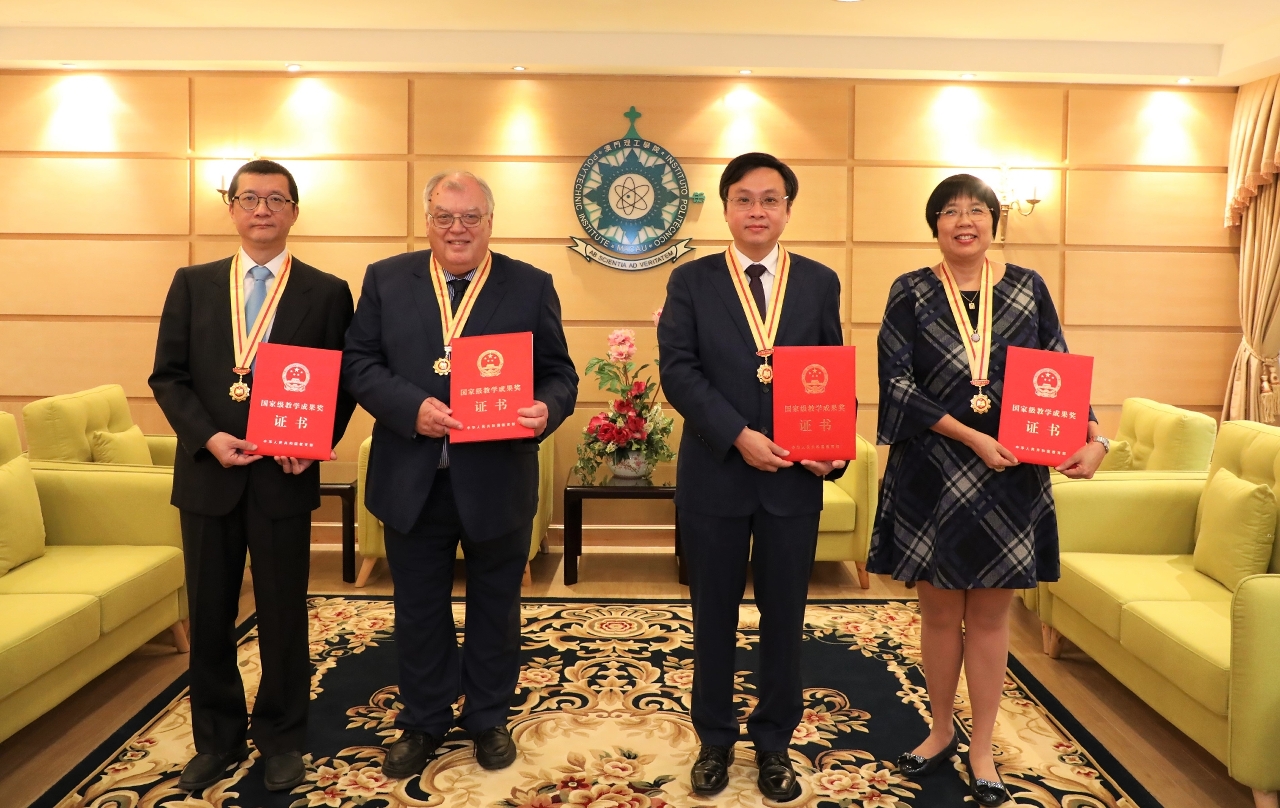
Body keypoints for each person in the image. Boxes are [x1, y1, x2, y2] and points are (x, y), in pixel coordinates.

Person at [866, 174, 1107, 806]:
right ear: (935, 225)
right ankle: (941, 730)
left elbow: (1059, 368)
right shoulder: (911, 290)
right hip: (933, 473)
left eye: (976, 210)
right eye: (950, 211)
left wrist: (1095, 437)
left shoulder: (1027, 287)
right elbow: (895, 384)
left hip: (1011, 474)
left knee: (992, 617)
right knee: (941, 614)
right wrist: (972, 437)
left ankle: (981, 746)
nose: (964, 221)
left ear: (994, 223)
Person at [341, 171, 577, 779]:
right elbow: (359, 363)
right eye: (445, 216)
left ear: (490, 222)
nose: (457, 229)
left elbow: (560, 373)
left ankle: (488, 717)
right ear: (427, 221)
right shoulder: (386, 279)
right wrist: (409, 408)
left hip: (497, 478)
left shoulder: (529, 285)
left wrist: (546, 408)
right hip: (411, 476)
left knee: (496, 606)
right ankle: (423, 719)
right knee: (418, 608)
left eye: (471, 216)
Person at [150, 159, 357, 793]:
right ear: (232, 208)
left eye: (275, 199)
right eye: (249, 198)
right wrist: (209, 438)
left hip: (282, 478)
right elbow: (169, 376)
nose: (261, 209)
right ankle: (216, 739)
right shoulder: (193, 283)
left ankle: (282, 737)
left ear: (294, 211)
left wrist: (314, 442)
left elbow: (343, 380)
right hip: (208, 476)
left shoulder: (327, 291)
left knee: (283, 614)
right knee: (210, 615)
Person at [657, 152, 846, 803]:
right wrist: (739, 435)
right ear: (726, 208)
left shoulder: (818, 281)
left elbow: (831, 371)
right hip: (716, 474)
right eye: (744, 199)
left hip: (793, 480)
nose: (757, 210)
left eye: (770, 199)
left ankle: (773, 742)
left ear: (788, 210)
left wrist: (832, 450)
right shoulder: (692, 280)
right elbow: (679, 371)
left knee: (784, 616)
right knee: (712, 613)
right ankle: (714, 739)